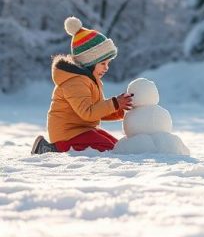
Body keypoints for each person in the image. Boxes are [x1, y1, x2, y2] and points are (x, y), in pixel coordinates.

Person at [30, 17, 133, 155]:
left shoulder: (89, 80)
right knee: (108, 148)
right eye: (103, 63)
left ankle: (58, 147)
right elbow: (88, 112)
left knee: (116, 146)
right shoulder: (75, 82)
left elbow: (97, 109)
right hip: (68, 134)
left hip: (82, 129)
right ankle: (49, 148)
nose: (107, 68)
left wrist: (119, 108)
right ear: (90, 61)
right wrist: (115, 103)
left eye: (108, 63)